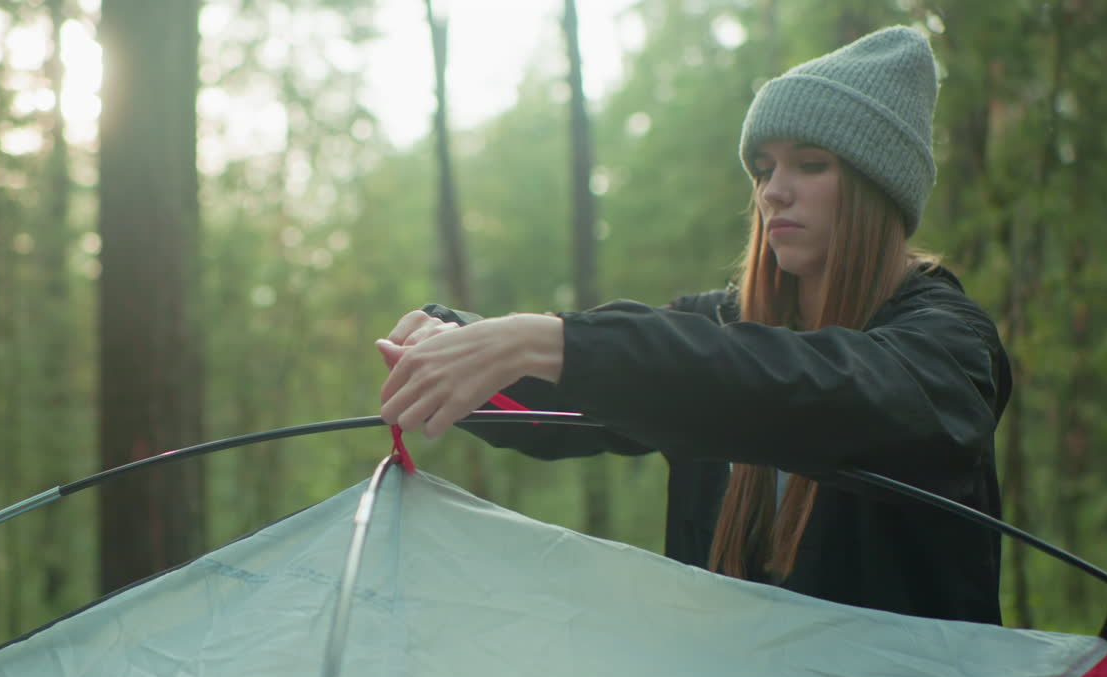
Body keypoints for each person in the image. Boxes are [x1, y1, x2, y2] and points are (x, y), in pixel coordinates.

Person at [375, 26, 1010, 625]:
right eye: (763, 169)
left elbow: (819, 389)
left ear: (879, 190)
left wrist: (551, 339)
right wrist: (464, 347)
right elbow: (570, 397)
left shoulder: (947, 344)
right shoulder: (718, 324)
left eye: (810, 164)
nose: (773, 192)